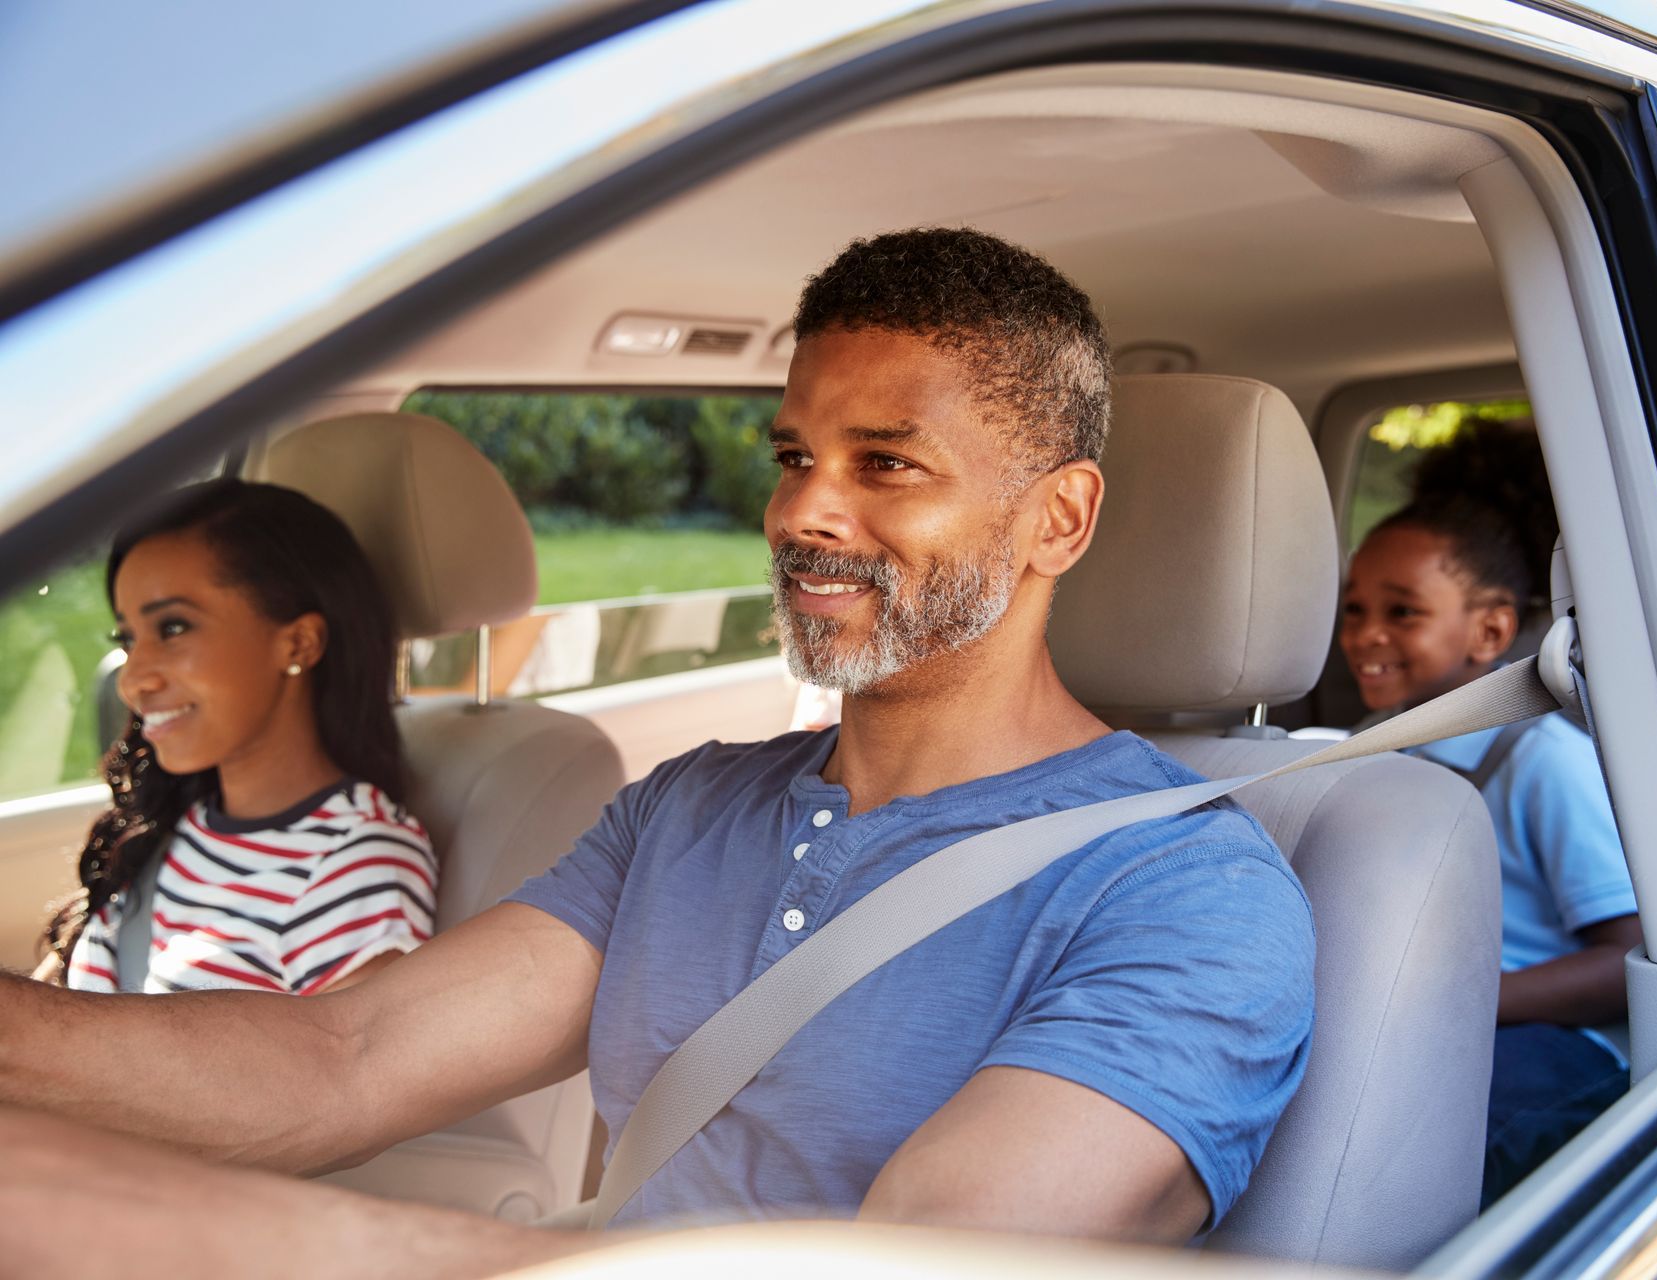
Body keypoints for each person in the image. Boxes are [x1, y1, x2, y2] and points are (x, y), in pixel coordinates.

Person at [0, 227, 1313, 1278]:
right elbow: (345, 1058)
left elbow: (919, 1260)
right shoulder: (688, 806)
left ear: (1058, 521)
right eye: (794, 454)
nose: (803, 508)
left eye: (887, 464)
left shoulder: (1189, 892)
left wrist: (197, 1235)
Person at [1337, 423, 1640, 1206]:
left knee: (1411, 1173)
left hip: (1554, 1043)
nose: (1366, 635)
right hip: (1418, 1024)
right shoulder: (1367, 750)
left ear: (1492, 630)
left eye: (1402, 613)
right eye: (1354, 609)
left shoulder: (1540, 761)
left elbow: (1626, 957)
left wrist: (1471, 1004)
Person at [34, 480, 435, 996]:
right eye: (129, 640)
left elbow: (346, 1073)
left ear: (298, 642)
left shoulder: (356, 867)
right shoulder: (175, 820)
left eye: (174, 629)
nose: (133, 680)